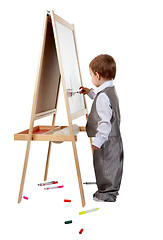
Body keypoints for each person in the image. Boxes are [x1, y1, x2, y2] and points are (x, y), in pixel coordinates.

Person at [80, 54, 124, 202]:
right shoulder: (109, 91)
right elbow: (103, 102)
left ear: (97, 75)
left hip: (106, 141)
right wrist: (90, 93)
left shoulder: (103, 97)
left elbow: (105, 122)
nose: (91, 78)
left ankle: (106, 194)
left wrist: (98, 141)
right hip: (114, 139)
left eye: (91, 75)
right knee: (111, 167)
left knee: (105, 167)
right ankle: (107, 192)